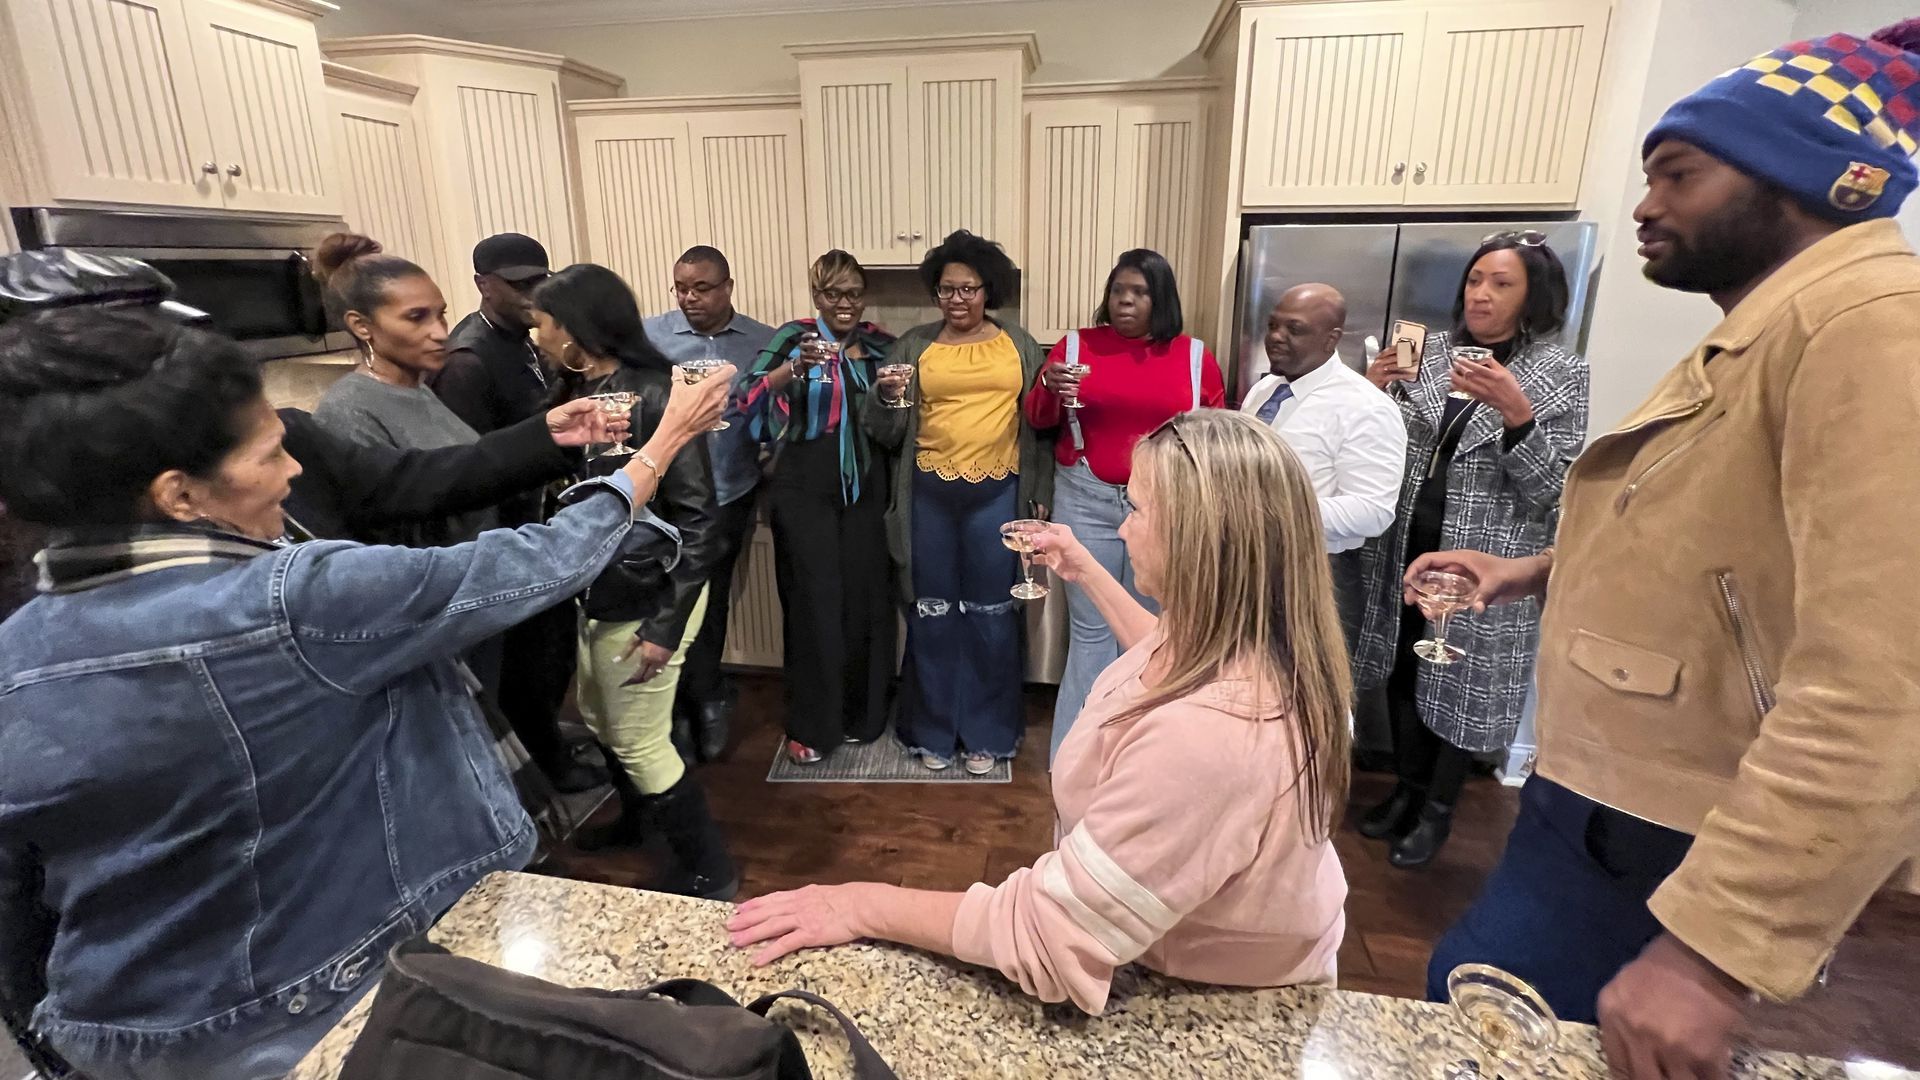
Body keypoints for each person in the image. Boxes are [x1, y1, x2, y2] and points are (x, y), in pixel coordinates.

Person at [0, 304, 728, 1080]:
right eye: (271, 454)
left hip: (123, 1037)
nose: (294, 473)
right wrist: (666, 440)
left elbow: (21, 887)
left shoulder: (17, 648)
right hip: (314, 1010)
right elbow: (540, 560)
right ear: (179, 496)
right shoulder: (296, 601)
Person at [1415, 23, 1920, 1077]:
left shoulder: (1870, 329)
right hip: (1602, 798)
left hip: (1665, 825)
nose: (1645, 205)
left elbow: (1888, 682)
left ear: (1809, 181)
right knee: (1479, 1007)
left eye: (1678, 175)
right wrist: (1537, 570)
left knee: (1490, 1028)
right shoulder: (1768, 326)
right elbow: (1733, 545)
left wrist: (1708, 957)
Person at [727, 410, 1350, 1014]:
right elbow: (1163, 656)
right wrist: (1086, 570)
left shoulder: (1208, 739)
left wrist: (859, 903)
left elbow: (1047, 933)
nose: (1124, 529)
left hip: (1209, 996)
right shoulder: (1264, 648)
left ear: (1200, 540)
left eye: (1135, 508)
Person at [1348, 232, 1589, 870]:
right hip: (1406, 543)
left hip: (1488, 558)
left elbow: (1556, 491)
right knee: (1404, 669)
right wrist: (1372, 391)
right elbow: (1380, 445)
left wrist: (1518, 414)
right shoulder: (1430, 357)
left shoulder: (1561, 375)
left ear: (1534, 296)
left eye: (1501, 283)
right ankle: (1404, 789)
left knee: (1455, 680)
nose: (1481, 294)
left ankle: (1437, 811)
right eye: (1475, 280)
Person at [526, 264, 737, 896]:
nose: (535, 333)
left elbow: (701, 522)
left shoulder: (651, 394)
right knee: (598, 714)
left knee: (640, 738)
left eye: (543, 322)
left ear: (574, 329)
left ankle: (711, 869)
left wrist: (664, 628)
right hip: (598, 589)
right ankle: (637, 822)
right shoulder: (575, 393)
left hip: (649, 594)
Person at [1024, 249, 1225, 763]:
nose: (1126, 302)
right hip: (1084, 499)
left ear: (1161, 299)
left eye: (1139, 292)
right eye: (1118, 291)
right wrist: (1045, 385)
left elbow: (1213, 437)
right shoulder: (1075, 346)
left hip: (1164, 510)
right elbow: (1041, 419)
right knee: (1091, 635)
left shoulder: (1194, 357)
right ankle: (1073, 759)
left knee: (1153, 636)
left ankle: (1137, 760)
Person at [865, 231, 1055, 775]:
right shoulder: (913, 346)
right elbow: (884, 431)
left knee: (992, 616)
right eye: (948, 289)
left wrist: (1040, 494)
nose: (958, 299)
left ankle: (987, 735)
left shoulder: (1018, 345)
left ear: (986, 290)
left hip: (997, 497)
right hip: (927, 497)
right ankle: (931, 731)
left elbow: (1039, 428)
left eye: (969, 289)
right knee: (932, 614)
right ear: (936, 293)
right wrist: (881, 398)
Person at [428, 233, 597, 793]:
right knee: (527, 665)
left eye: (540, 280)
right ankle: (543, 767)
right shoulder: (468, 362)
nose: (534, 293)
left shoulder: (526, 341)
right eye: (520, 283)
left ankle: (547, 739)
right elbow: (472, 469)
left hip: (541, 527)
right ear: (483, 284)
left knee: (551, 656)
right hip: (507, 539)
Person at [737, 251, 898, 766]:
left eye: (852, 293)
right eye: (832, 294)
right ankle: (814, 724)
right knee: (813, 601)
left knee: (865, 597)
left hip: (866, 482)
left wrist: (893, 393)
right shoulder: (794, 338)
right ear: (816, 296)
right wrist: (793, 369)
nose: (844, 304)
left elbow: (893, 419)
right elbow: (745, 397)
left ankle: (865, 716)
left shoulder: (879, 345)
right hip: (803, 480)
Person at [644, 246, 777, 763]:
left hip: (729, 492)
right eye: (681, 287)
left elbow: (776, 408)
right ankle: (671, 708)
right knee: (663, 601)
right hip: (664, 495)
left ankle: (707, 699)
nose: (689, 298)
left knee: (710, 601)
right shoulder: (652, 335)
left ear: (727, 287)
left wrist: (773, 453)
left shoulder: (763, 341)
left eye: (701, 288)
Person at [1240, 284, 1407, 644]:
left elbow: (1374, 509)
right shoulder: (1264, 391)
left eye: (1294, 329)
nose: (1276, 338)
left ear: (1331, 339)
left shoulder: (1366, 407)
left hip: (1314, 573)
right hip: (1246, 561)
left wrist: (1272, 511)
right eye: (1272, 326)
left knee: (1304, 694)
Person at [309, 234, 492, 549]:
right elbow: (386, 541)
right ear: (361, 325)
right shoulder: (349, 412)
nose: (439, 332)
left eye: (440, 314)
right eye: (416, 317)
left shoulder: (418, 389)